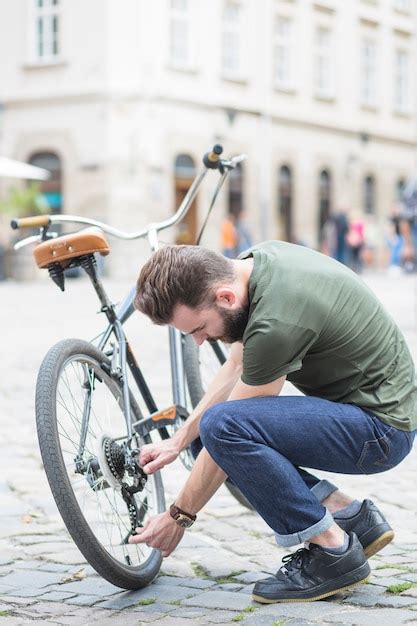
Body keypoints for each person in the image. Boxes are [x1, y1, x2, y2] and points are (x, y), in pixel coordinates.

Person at [131, 241, 416, 604]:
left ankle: (331, 552)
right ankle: (348, 517)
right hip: (368, 411)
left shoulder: (277, 322)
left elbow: (228, 428)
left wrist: (178, 517)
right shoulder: (255, 266)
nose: (200, 342)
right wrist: (179, 439)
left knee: (220, 430)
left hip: (380, 433)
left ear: (225, 298)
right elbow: (236, 366)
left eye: (199, 328)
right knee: (206, 434)